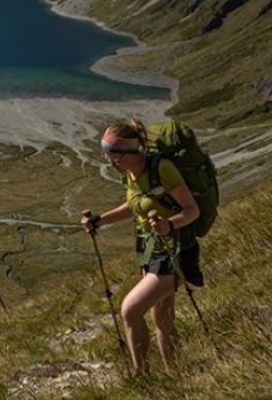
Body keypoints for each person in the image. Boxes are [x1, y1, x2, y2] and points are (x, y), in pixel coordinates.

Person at [81, 119, 201, 375]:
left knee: (130, 310)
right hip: (150, 251)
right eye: (107, 156)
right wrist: (100, 221)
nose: (110, 163)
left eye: (114, 157)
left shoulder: (163, 169)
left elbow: (192, 210)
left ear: (131, 151)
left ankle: (141, 376)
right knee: (163, 320)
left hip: (173, 252)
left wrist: (169, 225)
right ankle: (176, 375)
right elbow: (135, 206)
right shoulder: (131, 173)